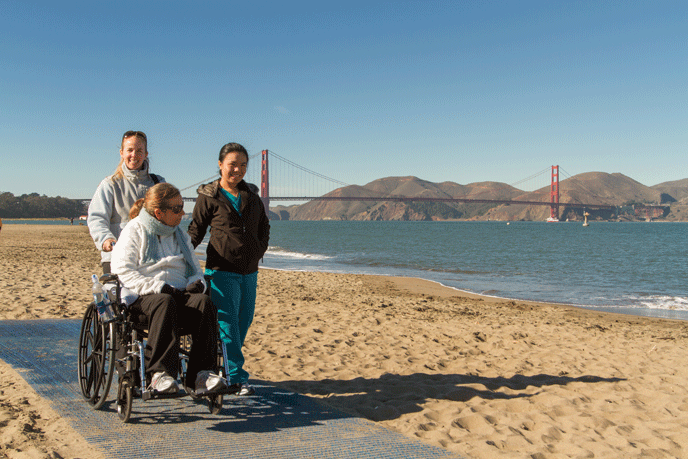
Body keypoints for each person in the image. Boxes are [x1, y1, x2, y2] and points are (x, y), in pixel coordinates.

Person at [111, 183, 226, 394]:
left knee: (204, 302)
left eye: (182, 206)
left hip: (179, 294)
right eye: (177, 208)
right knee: (164, 302)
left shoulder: (179, 235)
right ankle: (159, 375)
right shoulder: (134, 230)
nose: (183, 213)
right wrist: (159, 287)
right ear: (158, 212)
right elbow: (123, 271)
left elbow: (194, 268)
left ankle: (201, 375)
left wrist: (197, 282)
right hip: (145, 297)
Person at [188, 143, 270, 396]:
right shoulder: (209, 196)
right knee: (229, 324)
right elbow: (195, 231)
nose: (238, 170)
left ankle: (225, 363)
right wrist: (182, 258)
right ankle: (236, 377)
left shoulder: (251, 195)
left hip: (250, 271)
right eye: (232, 164)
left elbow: (264, 227)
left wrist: (258, 251)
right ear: (221, 164)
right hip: (221, 269)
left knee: (244, 321)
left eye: (243, 165)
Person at [88, 131, 164, 274]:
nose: (134, 155)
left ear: (146, 154)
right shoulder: (110, 184)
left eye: (139, 150)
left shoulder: (158, 183)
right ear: (122, 153)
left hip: (151, 259)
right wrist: (105, 239)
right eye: (130, 150)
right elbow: (96, 218)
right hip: (116, 257)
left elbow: (169, 219)